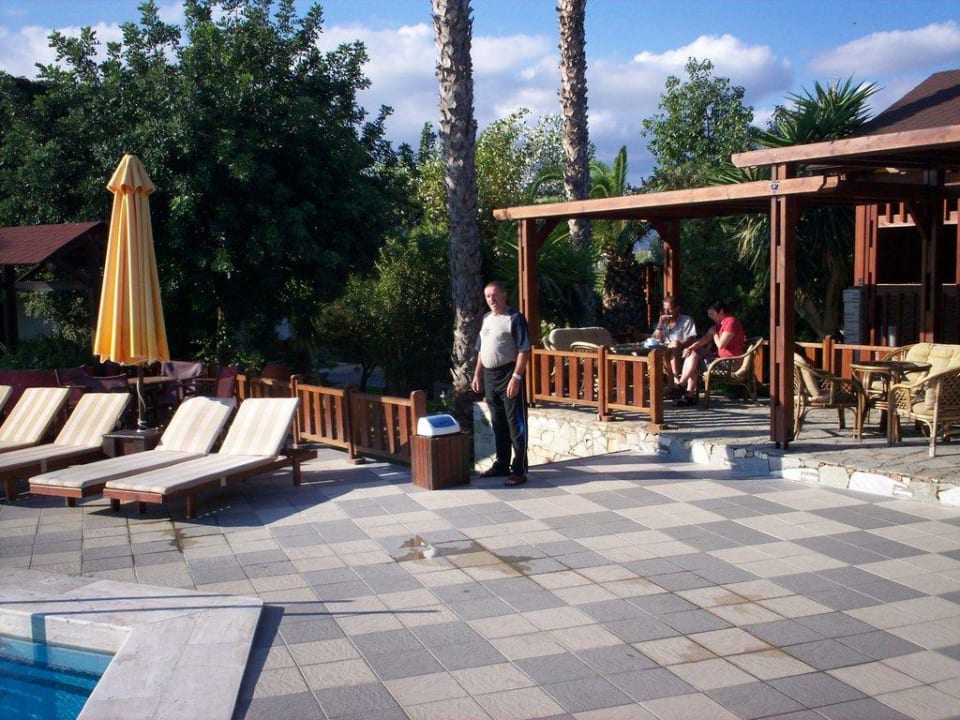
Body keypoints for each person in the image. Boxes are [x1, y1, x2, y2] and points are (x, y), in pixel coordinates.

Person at [471, 280, 531, 486]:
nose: (492, 299)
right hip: (490, 377)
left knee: (516, 424)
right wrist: (477, 375)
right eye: (488, 296)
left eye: (495, 295)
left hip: (508, 375)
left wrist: (516, 377)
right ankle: (502, 464)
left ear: (504, 295)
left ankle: (519, 470)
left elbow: (524, 350)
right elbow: (481, 349)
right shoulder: (486, 318)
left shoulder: (514, 318)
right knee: (498, 423)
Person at [676, 300, 746, 406]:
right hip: (720, 362)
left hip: (731, 363)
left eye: (712, 313)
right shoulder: (719, 325)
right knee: (692, 354)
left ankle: (683, 388)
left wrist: (714, 334)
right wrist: (690, 348)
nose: (710, 316)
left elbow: (721, 344)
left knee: (693, 360)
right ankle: (685, 391)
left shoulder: (731, 322)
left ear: (721, 311)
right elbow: (704, 339)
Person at [651, 295, 697, 396]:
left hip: (682, 351)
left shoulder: (687, 320)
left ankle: (673, 383)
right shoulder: (662, 322)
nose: (666, 312)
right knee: (665, 350)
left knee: (675, 343)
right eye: (665, 309)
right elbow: (655, 339)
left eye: (670, 309)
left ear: (677, 308)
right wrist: (660, 324)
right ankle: (675, 383)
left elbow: (691, 339)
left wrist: (678, 346)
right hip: (665, 352)